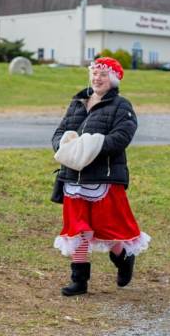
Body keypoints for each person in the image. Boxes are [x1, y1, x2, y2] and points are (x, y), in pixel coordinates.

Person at [51, 57, 150, 296]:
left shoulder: (122, 106)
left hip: (103, 177)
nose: (97, 78)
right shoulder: (77, 102)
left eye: (103, 75)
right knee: (79, 229)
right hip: (73, 177)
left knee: (107, 227)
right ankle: (79, 280)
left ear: (113, 79)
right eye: (94, 74)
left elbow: (122, 137)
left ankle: (123, 258)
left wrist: (92, 146)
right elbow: (59, 133)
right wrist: (65, 146)